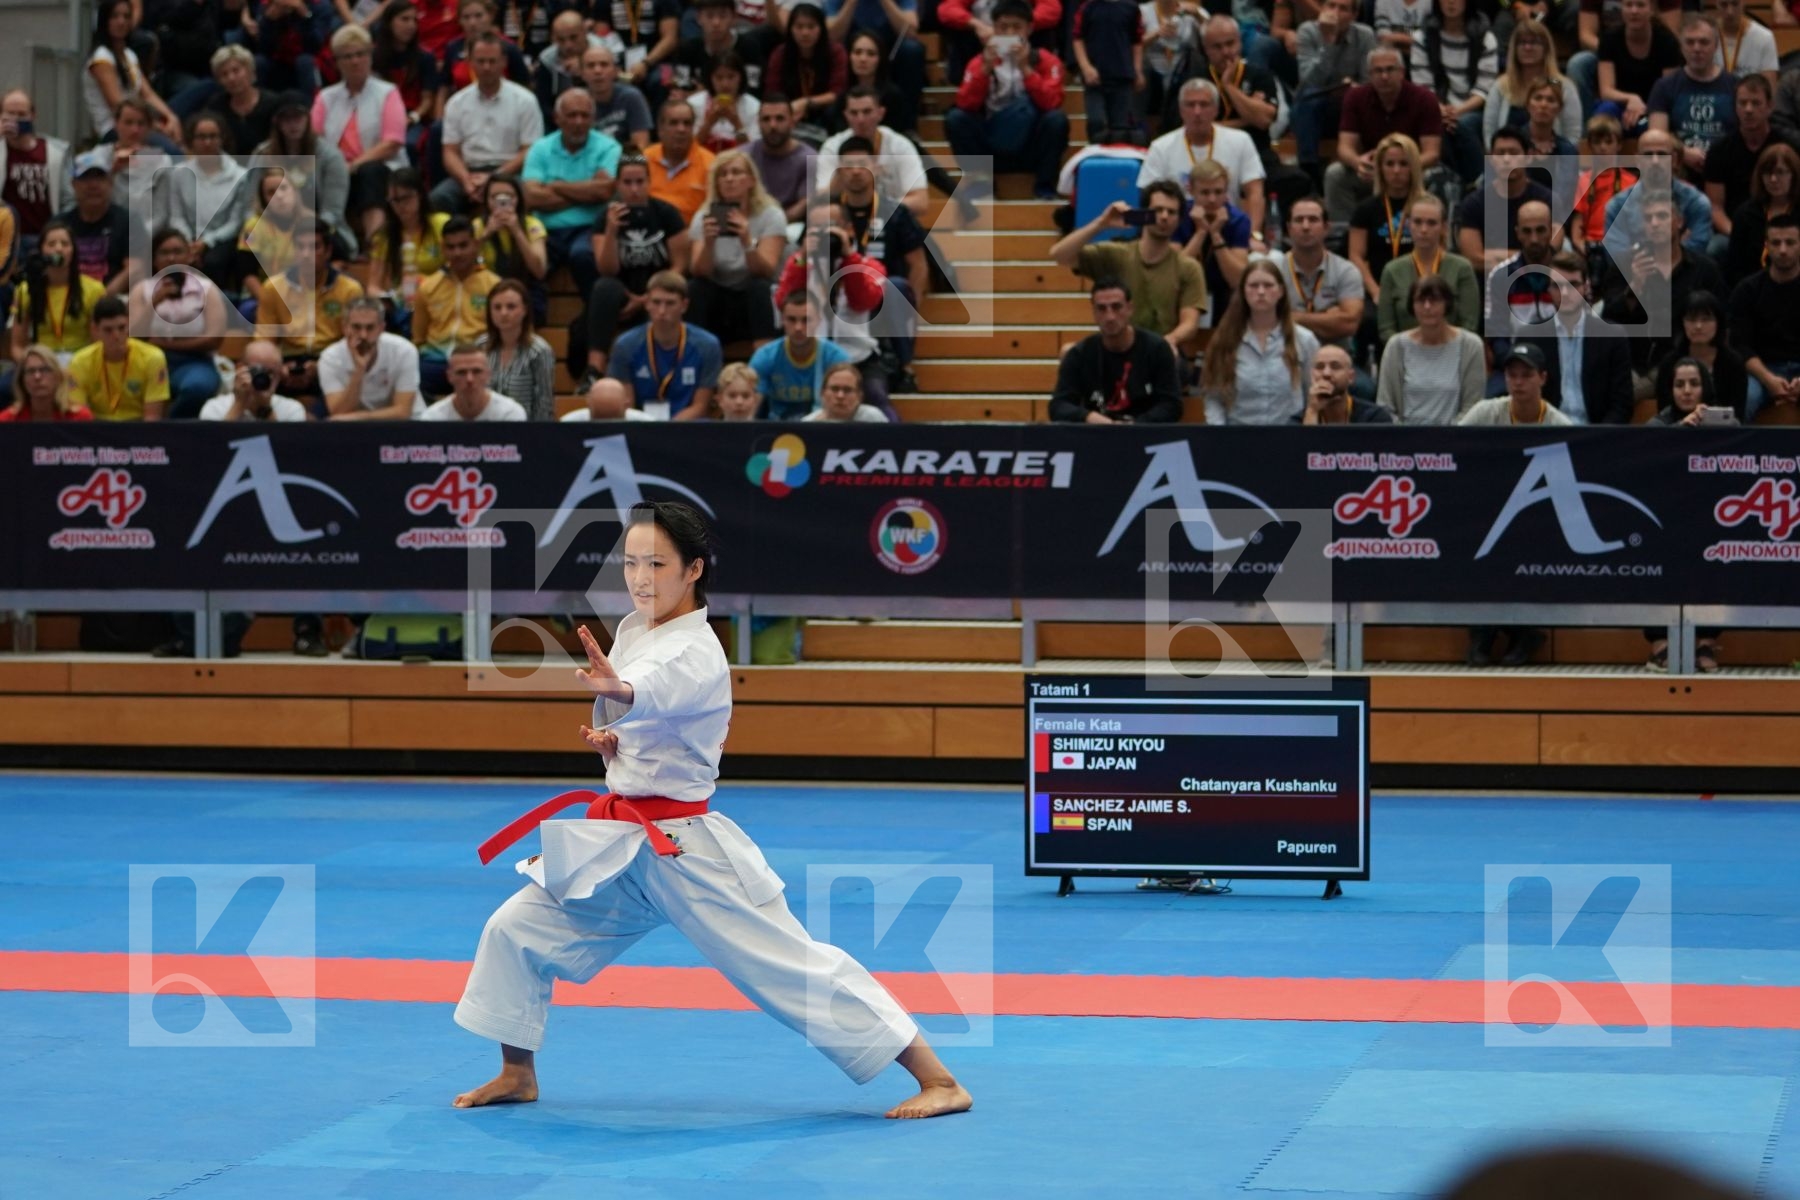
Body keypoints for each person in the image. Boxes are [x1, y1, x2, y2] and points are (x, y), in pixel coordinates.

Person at [451, 501, 971, 1118]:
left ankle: (939, 1080)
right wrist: (615, 741)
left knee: (787, 967)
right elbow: (654, 723)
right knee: (514, 929)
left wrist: (622, 693)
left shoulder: (697, 650)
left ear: (693, 568)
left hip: (685, 847)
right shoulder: (634, 630)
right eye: (631, 562)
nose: (640, 577)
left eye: (657, 564)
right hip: (620, 842)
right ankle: (516, 1072)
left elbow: (657, 690)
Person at [1459, 341, 1569, 667]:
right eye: (1512, 375)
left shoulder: (1560, 425)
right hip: (1488, 510)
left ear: (1543, 378)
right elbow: (1450, 449)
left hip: (1539, 517)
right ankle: (1485, 632)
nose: (1518, 382)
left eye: (1527, 375)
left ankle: (1523, 631)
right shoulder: (1486, 412)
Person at [1051, 186, 1205, 354]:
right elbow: (1060, 255)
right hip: (1115, 347)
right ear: (1144, 213)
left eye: (1171, 212)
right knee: (1068, 352)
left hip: (1161, 350)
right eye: (1157, 210)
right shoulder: (1116, 254)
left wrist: (1170, 340)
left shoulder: (1188, 267)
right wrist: (1101, 224)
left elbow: (1190, 323)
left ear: (1179, 219)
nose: (1164, 216)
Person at [577, 154, 689, 380]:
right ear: (617, 185)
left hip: (659, 290)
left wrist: (648, 298)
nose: (634, 189)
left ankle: (669, 367)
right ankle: (594, 369)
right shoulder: (606, 217)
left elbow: (680, 265)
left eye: (640, 182)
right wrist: (611, 231)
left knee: (682, 290)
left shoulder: (667, 214)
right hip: (622, 293)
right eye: (627, 183)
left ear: (649, 182)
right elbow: (606, 269)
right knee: (604, 287)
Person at [947, 0, 1070, 201]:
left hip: (1031, 144)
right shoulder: (980, 61)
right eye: (1003, 27)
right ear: (994, 28)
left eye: (1017, 27)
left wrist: (1027, 70)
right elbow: (965, 103)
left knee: (1057, 120)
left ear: (1029, 29)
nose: (1010, 33)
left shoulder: (1045, 60)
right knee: (956, 118)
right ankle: (982, 187)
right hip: (990, 146)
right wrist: (985, 70)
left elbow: (1052, 102)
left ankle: (1044, 188)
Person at [1323, 45, 1441, 225]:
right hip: (1370, 171)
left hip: (1412, 170)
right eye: (1378, 71)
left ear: (1402, 72)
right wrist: (1358, 162)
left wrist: (1403, 167)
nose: (1384, 76)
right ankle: (1343, 235)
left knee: (1434, 176)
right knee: (1335, 174)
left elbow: (1432, 153)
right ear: (1369, 74)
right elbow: (1344, 146)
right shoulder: (1355, 97)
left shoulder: (1425, 99)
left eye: (1390, 70)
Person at [314, 24, 410, 240]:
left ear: (370, 55)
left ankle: (374, 242)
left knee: (370, 172)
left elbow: (392, 142)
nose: (355, 61)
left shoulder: (387, 92)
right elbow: (314, 139)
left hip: (381, 167)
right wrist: (339, 167)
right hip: (336, 169)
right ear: (337, 62)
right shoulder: (326, 97)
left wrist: (354, 165)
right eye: (347, 56)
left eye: (360, 54)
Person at [522, 88, 621, 295]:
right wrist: (586, 192)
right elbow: (531, 196)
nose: (578, 122)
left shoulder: (609, 147)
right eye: (572, 115)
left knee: (583, 256)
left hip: (590, 227)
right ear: (557, 118)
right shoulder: (540, 148)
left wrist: (556, 186)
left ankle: (591, 321)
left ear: (593, 119)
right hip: (546, 230)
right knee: (527, 261)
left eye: (585, 116)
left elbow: (604, 191)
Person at [258, 218, 367, 402]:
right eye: (300, 247)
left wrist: (321, 366)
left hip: (333, 360)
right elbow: (264, 340)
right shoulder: (272, 288)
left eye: (314, 247)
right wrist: (277, 367)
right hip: (286, 361)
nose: (306, 254)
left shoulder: (350, 290)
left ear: (328, 251)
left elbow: (355, 341)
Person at [437, 32, 546, 214]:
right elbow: (450, 151)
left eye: (492, 61)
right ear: (470, 62)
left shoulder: (525, 100)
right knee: (439, 198)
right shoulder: (456, 103)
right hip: (469, 171)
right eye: (480, 61)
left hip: (511, 172)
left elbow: (530, 149)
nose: (486, 67)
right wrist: (466, 181)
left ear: (503, 62)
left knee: (525, 194)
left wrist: (494, 178)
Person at [1138, 79, 1266, 235]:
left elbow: (1255, 192)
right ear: (1181, 110)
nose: (1197, 112)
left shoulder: (1240, 141)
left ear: (1216, 110)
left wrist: (1252, 235)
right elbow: (1147, 199)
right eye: (1190, 105)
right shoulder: (1160, 147)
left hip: (1229, 229)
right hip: (1177, 233)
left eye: (1204, 105)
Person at [590, 270, 723, 419]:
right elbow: (627, 405)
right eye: (656, 302)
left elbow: (701, 406)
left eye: (670, 303)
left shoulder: (707, 345)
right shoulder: (625, 345)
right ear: (646, 303)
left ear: (684, 305)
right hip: (640, 425)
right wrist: (649, 429)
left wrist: (666, 430)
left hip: (688, 428)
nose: (662, 311)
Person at [1048, 278, 1183, 423]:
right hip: (1097, 435)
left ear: (1130, 309)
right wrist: (1089, 417)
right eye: (1101, 309)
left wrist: (1136, 425)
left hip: (1146, 435)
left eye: (1116, 307)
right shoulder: (1080, 354)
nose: (1110, 316)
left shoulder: (1157, 349)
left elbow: (1172, 405)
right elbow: (1058, 406)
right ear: (1093, 312)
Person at [1201, 258, 1318, 424]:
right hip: (1237, 438)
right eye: (1253, 286)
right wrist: (1219, 437)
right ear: (1243, 291)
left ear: (1281, 291)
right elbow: (1213, 398)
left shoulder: (1305, 340)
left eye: (1268, 285)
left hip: (1289, 437)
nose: (1261, 292)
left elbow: (1312, 395)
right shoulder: (1224, 340)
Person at [687, 150, 787, 344]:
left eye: (736, 172)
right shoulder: (703, 217)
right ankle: (695, 354)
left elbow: (766, 271)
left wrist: (747, 242)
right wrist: (709, 244)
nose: (729, 179)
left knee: (760, 287)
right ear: (716, 183)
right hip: (719, 298)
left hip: (754, 297)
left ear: (751, 180)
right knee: (696, 288)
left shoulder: (770, 215)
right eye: (723, 174)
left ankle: (763, 357)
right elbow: (699, 271)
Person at [129, 227, 230, 418]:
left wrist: (169, 344)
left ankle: (168, 432)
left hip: (195, 362)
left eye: (177, 252)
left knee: (197, 387)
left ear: (189, 256)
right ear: (154, 258)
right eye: (164, 253)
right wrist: (155, 301)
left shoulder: (207, 289)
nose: (171, 258)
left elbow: (214, 339)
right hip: (148, 363)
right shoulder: (141, 290)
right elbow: (135, 335)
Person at [1255, 196, 1363, 363]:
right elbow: (1263, 320)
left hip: (1334, 362)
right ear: (1289, 229)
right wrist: (1327, 318)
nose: (1306, 226)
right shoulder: (1272, 270)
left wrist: (1291, 317)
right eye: (1299, 220)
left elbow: (1348, 324)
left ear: (1326, 227)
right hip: (1283, 359)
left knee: (1365, 388)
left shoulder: (1346, 271)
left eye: (1313, 220)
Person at [1707, 78, 1797, 260]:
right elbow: (1715, 207)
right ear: (1735, 107)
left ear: (1770, 106)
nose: (1748, 109)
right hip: (1737, 226)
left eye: (1756, 103)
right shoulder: (1719, 151)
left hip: (1787, 228)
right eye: (1743, 103)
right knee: (1715, 247)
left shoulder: (1790, 147)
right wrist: (1739, 233)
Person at [1409, 0, 1497, 183]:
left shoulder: (1485, 38)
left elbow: (1484, 89)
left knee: (1460, 125)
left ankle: (1477, 181)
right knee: (1439, 126)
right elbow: (1422, 85)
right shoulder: (1422, 37)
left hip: (1473, 109)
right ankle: (1470, 183)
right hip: (1435, 108)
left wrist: (1456, 112)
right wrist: (1440, 110)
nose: (1451, 2)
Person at [412, 216, 502, 396]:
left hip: (477, 359)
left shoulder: (494, 286)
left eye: (463, 245)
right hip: (436, 361)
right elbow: (419, 338)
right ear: (443, 249)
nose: (457, 253)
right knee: (412, 378)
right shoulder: (428, 287)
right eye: (451, 247)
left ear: (476, 245)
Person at [255, 92, 355, 250]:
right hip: (273, 228)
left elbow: (332, 213)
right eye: (286, 119)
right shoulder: (263, 154)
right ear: (277, 123)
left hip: (319, 229)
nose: (293, 124)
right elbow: (250, 202)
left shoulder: (331, 157)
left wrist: (303, 232)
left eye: (298, 117)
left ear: (308, 118)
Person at [1293, 0, 1378, 180]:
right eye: (1331, 6)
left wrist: (1354, 88)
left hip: (1351, 104)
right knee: (1308, 100)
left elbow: (1369, 82)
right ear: (1322, 8)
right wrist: (1328, 43)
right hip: (1317, 106)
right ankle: (1308, 171)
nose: (1335, 13)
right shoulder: (1307, 31)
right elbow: (1308, 82)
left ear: (1354, 15)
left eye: (1343, 8)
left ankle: (1371, 163)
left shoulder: (1365, 35)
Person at [1376, 194, 1479, 341]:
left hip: (1453, 353)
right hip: (1406, 355)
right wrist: (1407, 350)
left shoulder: (1462, 268)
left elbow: (1469, 324)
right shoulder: (1392, 270)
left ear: (1444, 227)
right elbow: (1386, 327)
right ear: (1407, 225)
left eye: (1431, 223)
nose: (1423, 230)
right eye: (1417, 222)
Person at [1728, 211, 1800, 419]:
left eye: (1790, 242)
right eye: (1776, 243)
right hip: (1761, 369)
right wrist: (1768, 379)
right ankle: (1738, 452)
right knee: (1745, 397)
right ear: (1766, 246)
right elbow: (1739, 346)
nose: (1783, 250)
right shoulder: (1747, 290)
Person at [9, 221, 108, 369]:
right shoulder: (25, 289)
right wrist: (31, 367)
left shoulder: (94, 289)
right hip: (42, 363)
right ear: (41, 250)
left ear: (73, 250)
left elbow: (99, 344)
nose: (58, 248)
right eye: (51, 244)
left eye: (65, 244)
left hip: (80, 362)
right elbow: (17, 346)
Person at [816, 87, 929, 216]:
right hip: (846, 222)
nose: (860, 120)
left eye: (867, 112)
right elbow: (819, 201)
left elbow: (920, 202)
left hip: (891, 222)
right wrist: (838, 180)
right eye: (854, 113)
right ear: (845, 116)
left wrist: (873, 208)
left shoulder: (900, 146)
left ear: (880, 113)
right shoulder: (833, 147)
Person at [1646, 15, 1738, 170]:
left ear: (1716, 46)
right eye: (1690, 42)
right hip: (1679, 168)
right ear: (1681, 47)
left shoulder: (1735, 85)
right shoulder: (1664, 86)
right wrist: (1683, 152)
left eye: (1704, 42)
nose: (1696, 48)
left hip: (1726, 168)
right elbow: (1657, 137)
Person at [1347, 132, 1423, 314]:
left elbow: (1440, 251)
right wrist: (1375, 291)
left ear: (1413, 167)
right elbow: (1356, 256)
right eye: (1390, 164)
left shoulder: (1428, 206)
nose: (1396, 170)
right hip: (1378, 287)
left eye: (1403, 164)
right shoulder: (1365, 209)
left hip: (1421, 288)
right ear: (1380, 168)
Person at [749, 289, 853, 418]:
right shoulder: (765, 357)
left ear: (819, 320)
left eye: (806, 320)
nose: (798, 327)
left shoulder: (836, 358)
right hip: (776, 432)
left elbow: (846, 409)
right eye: (792, 320)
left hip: (822, 429)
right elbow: (749, 409)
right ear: (782, 320)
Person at [86, 0, 179, 141]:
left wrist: (170, 117)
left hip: (139, 124)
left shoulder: (129, 55)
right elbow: (119, 106)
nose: (121, 22)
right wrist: (157, 126)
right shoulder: (101, 58)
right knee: (171, 153)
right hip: (116, 130)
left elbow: (147, 94)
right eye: (115, 16)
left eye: (126, 16)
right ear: (104, 21)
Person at [66, 294, 169, 421]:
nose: (116, 336)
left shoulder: (153, 358)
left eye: (122, 328)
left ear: (129, 324)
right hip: (97, 429)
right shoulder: (80, 362)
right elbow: (78, 414)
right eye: (108, 330)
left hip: (138, 428)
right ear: (95, 329)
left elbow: (152, 418)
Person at [321, 294, 426, 418]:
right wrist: (359, 370)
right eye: (356, 327)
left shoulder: (404, 351)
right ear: (344, 327)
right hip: (357, 429)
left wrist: (357, 418)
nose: (363, 335)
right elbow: (338, 413)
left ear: (382, 328)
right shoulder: (330, 358)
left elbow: (403, 412)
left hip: (406, 426)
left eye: (370, 328)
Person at [57, 147, 141, 296]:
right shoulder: (59, 224)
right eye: (86, 178)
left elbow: (135, 267)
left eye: (99, 177)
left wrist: (104, 295)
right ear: (73, 184)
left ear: (110, 182)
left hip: (114, 300)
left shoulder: (129, 221)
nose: (93, 185)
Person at [1653, 289, 1747, 418]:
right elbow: (1664, 414)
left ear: (1718, 323)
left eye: (1706, 319)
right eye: (1691, 319)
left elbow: (1737, 415)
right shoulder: (1669, 363)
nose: (1698, 326)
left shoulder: (1733, 363)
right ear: (1682, 323)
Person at [1181, 159, 1252, 327]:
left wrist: (1215, 234)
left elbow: (1237, 280)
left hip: (1222, 290)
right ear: (1190, 190)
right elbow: (1174, 274)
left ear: (1226, 192)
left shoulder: (1238, 220)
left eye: (1218, 192)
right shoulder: (1179, 215)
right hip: (1185, 290)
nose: (1212, 199)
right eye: (1205, 193)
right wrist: (1200, 232)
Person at [1595, 0, 1682, 135]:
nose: (1634, 11)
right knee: (1606, 110)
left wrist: (1645, 108)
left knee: (1652, 125)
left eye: (1640, 5)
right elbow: (1606, 91)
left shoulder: (1667, 41)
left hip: (1654, 106)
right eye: (1629, 5)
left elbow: (1669, 93)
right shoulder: (1609, 39)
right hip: (1621, 104)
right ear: (1622, 9)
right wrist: (1631, 99)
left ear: (1651, 9)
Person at [1, 90, 71, 252]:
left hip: (46, 237)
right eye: (10, 114)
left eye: (22, 114)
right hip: (8, 240)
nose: (16, 120)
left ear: (33, 115)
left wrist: (58, 231)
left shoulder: (55, 152)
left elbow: (69, 198)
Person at [478, 277, 556, 419]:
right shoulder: (480, 346)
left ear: (525, 310)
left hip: (524, 432)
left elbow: (544, 403)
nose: (503, 313)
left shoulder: (539, 351)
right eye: (497, 307)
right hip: (485, 429)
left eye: (511, 307)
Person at [1725, 140, 1799, 281]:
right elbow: (1734, 266)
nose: (1773, 179)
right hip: (1755, 290)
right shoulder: (1746, 214)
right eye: (1767, 173)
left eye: (1780, 172)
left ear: (1794, 175)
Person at [1073, 0, 1143, 146]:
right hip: (1095, 79)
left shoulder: (1131, 8)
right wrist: (1086, 67)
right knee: (1096, 121)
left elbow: (1136, 41)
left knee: (1121, 128)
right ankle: (1094, 156)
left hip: (1122, 77)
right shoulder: (1088, 7)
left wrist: (1137, 69)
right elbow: (1077, 38)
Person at [766, 4, 846, 133]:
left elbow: (837, 93)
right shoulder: (780, 53)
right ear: (790, 29)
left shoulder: (835, 52)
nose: (805, 33)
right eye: (799, 27)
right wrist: (787, 109)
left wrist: (806, 102)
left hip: (824, 114)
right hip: (788, 112)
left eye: (811, 27)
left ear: (821, 28)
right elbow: (772, 92)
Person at [202, 46, 282, 164]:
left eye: (236, 70)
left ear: (250, 71)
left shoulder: (273, 103)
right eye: (224, 74)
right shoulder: (216, 107)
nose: (231, 78)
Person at [645, 98, 719, 224]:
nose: (681, 129)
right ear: (660, 129)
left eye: (687, 123)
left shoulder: (712, 164)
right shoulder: (643, 159)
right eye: (674, 123)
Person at [200, 340, 311, 421]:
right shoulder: (215, 407)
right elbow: (215, 447)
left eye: (271, 373)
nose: (264, 378)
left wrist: (265, 408)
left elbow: (283, 449)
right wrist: (239, 404)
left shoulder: (291, 409)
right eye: (257, 371)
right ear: (240, 369)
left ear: (280, 375)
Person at [747, 96, 818, 221]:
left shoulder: (810, 158)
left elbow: (804, 204)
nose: (773, 125)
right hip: (749, 222)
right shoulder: (744, 156)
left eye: (780, 119)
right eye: (766, 119)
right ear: (758, 123)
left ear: (792, 122)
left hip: (791, 226)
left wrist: (772, 226)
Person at [421, 340, 528, 419]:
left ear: (488, 374)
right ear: (449, 377)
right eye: (461, 372)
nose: (469, 379)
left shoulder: (509, 414)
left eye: (477, 371)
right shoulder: (432, 418)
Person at [581, 44, 654, 150]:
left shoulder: (632, 97)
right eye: (591, 66)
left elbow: (641, 148)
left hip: (625, 163)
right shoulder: (576, 102)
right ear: (582, 73)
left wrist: (617, 165)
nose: (597, 71)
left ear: (616, 71)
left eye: (604, 65)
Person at [1302, 343, 1395, 423]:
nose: (1326, 373)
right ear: (1311, 375)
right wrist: (1312, 411)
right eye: (1320, 367)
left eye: (1335, 366)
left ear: (1351, 377)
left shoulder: (1374, 417)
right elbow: (1303, 444)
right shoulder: (1299, 420)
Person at [688, 53, 763, 153]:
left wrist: (736, 123)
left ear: (740, 78)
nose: (725, 84)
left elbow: (754, 152)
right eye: (719, 78)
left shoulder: (755, 107)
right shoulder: (694, 104)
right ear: (711, 79)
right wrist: (710, 122)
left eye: (731, 77)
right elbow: (689, 149)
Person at [0, 345, 93, 421]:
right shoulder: (8, 420)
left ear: (58, 377)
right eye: (31, 371)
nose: (37, 376)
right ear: (22, 380)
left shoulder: (79, 418)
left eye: (45, 370)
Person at [803, 359, 891, 420]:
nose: (840, 396)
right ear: (822, 393)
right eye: (834, 389)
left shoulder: (874, 418)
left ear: (859, 396)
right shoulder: (808, 424)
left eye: (848, 390)